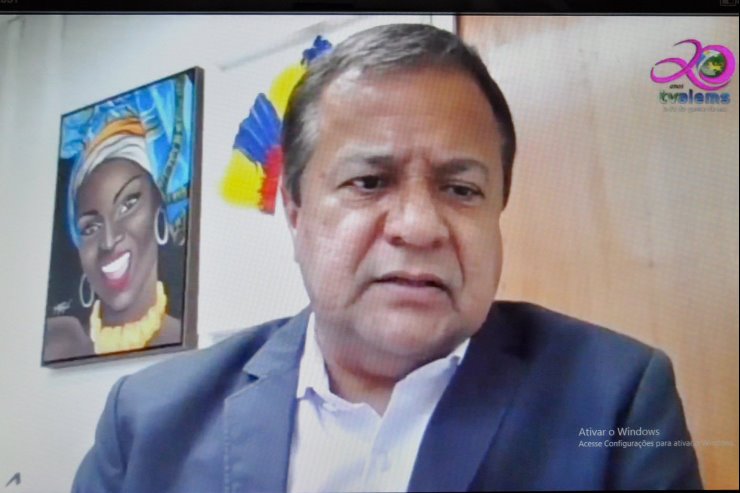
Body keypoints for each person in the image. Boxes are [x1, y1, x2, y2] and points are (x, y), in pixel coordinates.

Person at [72, 24, 702, 491]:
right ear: (294, 210)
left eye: (461, 189)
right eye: (369, 182)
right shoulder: (148, 423)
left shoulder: (617, 401)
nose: (419, 227)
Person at [44, 75, 193, 362]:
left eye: (128, 205)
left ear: (159, 210)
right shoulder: (58, 341)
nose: (109, 240)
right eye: (91, 227)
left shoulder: (192, 354)